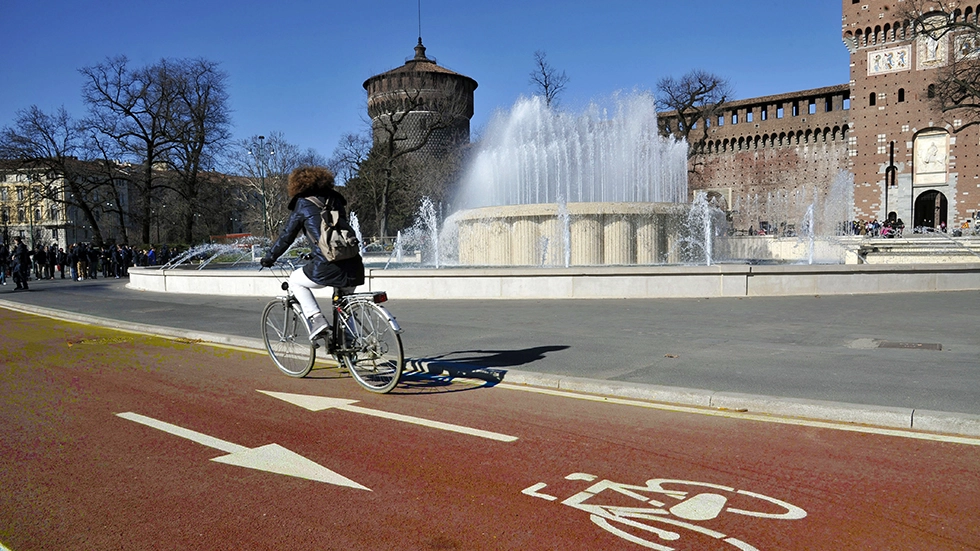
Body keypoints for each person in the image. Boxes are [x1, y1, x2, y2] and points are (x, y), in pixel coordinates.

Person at [260, 166, 365, 341]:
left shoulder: (302, 203)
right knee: (344, 304)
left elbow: (287, 236)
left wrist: (270, 257)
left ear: (297, 185)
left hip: (327, 266)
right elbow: (336, 233)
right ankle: (351, 341)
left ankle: (316, 318)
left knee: (295, 280)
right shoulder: (336, 199)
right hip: (354, 264)